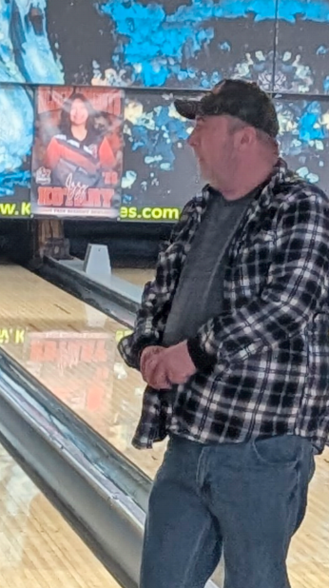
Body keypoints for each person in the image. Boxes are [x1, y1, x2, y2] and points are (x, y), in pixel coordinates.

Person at [117, 79, 329, 587]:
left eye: (202, 126)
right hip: (189, 433)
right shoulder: (198, 211)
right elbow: (159, 294)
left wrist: (190, 354)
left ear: (244, 137)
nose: (191, 139)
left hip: (262, 444)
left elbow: (288, 304)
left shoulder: (301, 206)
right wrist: (146, 347)